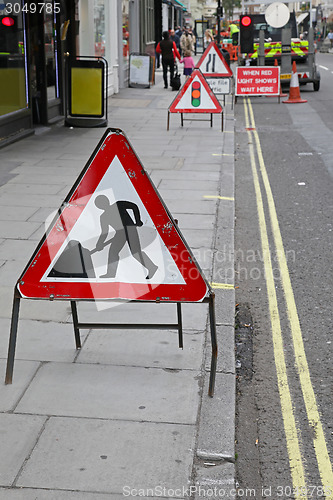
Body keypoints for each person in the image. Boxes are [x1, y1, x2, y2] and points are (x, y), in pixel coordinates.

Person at [94, 195, 158, 280]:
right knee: (113, 252)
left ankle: (152, 267)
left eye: (102, 202)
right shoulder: (103, 216)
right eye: (100, 204)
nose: (102, 205)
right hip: (120, 233)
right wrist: (99, 243)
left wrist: (138, 220)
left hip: (130, 229)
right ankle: (111, 273)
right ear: (99, 207)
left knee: (135, 252)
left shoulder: (119, 204)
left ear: (107, 201)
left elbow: (134, 206)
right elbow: (104, 232)